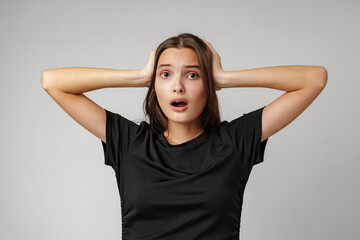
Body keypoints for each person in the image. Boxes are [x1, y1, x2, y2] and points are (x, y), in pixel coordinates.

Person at [41, 33, 327, 239]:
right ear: (155, 85)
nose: (178, 86)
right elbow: (52, 82)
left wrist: (224, 78)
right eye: (165, 75)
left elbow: (314, 79)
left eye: (192, 75)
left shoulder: (234, 142)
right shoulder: (129, 142)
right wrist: (141, 76)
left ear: (208, 84)